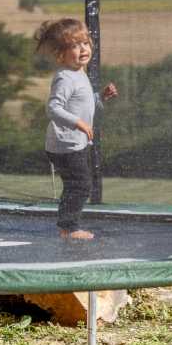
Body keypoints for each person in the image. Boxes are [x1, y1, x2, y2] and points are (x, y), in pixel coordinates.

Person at [35, 18, 117, 240]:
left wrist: (100, 97)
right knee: (81, 185)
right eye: (74, 45)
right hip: (65, 144)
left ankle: (66, 226)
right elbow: (53, 108)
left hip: (72, 143)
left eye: (85, 43)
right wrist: (78, 123)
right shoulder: (65, 77)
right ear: (61, 54)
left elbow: (82, 103)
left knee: (76, 185)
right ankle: (69, 228)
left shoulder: (79, 73)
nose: (82, 49)